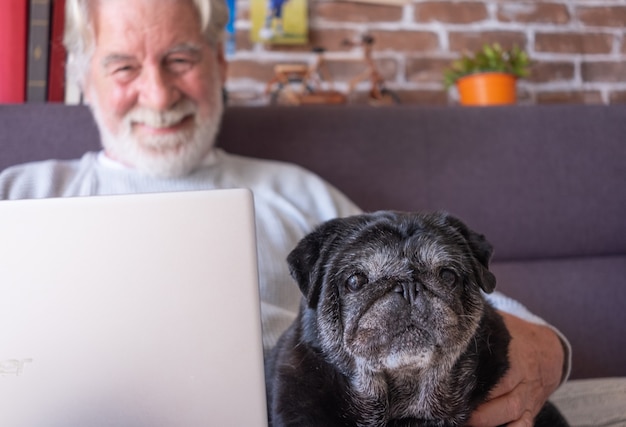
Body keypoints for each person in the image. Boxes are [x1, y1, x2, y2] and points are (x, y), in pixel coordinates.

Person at [0, 0, 569, 425]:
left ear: (220, 61)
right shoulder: (17, 194)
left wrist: (550, 347)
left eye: (180, 59)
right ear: (84, 78)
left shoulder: (295, 190)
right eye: (124, 67)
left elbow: (437, 281)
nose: (158, 92)